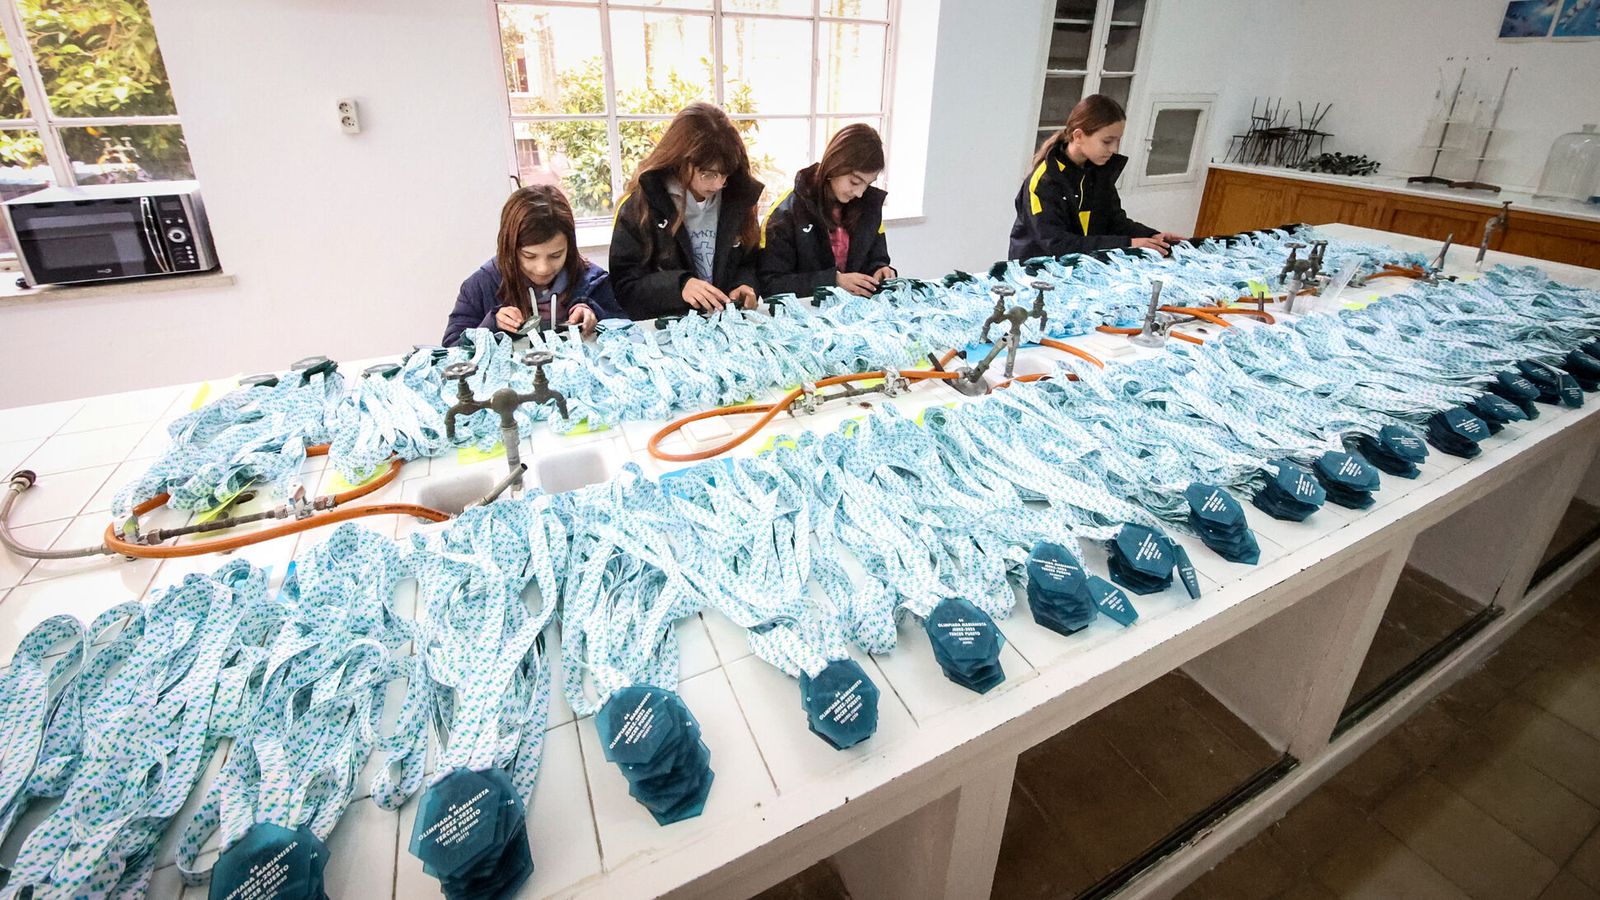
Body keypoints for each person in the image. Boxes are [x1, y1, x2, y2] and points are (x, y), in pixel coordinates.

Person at [608, 102, 764, 318]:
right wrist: (679, 287)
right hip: (667, 331)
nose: (718, 184)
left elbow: (748, 261)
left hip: (726, 326)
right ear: (680, 161)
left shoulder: (738, 197)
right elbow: (625, 287)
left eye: (725, 174)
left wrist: (743, 285)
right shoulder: (640, 205)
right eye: (708, 174)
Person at [1008, 94, 1185, 260]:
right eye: (1107, 141)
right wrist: (1128, 244)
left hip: (1080, 270)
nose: (1114, 149)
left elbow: (1114, 222)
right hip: (1037, 275)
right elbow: (1057, 244)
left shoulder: (1099, 173)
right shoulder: (1044, 182)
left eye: (1118, 141)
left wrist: (1151, 236)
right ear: (1078, 136)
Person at [443, 184, 619, 347]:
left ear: (570, 247)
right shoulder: (481, 286)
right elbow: (451, 351)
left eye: (556, 255)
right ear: (509, 248)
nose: (543, 268)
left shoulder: (595, 282)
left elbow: (627, 333)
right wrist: (491, 325)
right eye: (529, 256)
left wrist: (596, 315)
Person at [758, 123, 896, 298]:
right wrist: (833, 281)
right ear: (835, 165)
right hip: (807, 317)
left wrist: (881, 269)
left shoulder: (870, 206)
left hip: (859, 315)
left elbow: (877, 258)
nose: (860, 193)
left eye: (868, 184)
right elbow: (770, 284)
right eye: (854, 181)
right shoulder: (787, 211)